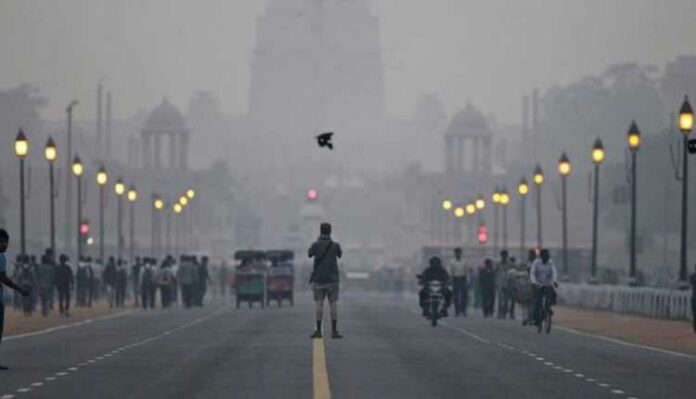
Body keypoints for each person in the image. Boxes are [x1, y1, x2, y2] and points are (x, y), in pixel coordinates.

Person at [0, 229, 31, 370]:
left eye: (6, 242)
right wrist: (20, 289)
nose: (5, 245)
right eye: (2, 241)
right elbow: (3, 278)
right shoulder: (1, 257)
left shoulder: (3, 256)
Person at [308, 222, 343, 339]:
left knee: (319, 304)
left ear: (320, 231)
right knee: (333, 304)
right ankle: (334, 331)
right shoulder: (335, 245)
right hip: (332, 279)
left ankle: (318, 331)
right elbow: (340, 254)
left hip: (319, 279)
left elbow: (309, 254)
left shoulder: (316, 245)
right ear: (330, 231)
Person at [530, 249, 558, 326]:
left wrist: (554, 281)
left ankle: (548, 308)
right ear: (541, 257)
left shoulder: (551, 262)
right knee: (537, 302)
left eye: (548, 256)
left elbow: (554, 272)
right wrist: (534, 282)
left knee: (552, 295)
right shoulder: (536, 262)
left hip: (547, 283)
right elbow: (532, 273)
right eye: (545, 256)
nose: (547, 258)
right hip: (538, 284)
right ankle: (535, 318)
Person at [448, 248, 470, 317]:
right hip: (455, 279)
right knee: (455, 296)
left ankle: (463, 311)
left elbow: (467, 271)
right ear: (454, 254)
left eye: (459, 252)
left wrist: (468, 281)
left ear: (461, 253)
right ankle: (457, 311)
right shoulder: (451, 261)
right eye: (456, 253)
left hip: (463, 279)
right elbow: (450, 271)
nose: (458, 254)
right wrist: (450, 279)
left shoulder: (465, 261)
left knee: (464, 296)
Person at [689, 264, 696, 333]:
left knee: (694, 314)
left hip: (694, 297)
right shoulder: (693, 277)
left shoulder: (692, 276)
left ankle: (695, 327)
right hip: (694, 297)